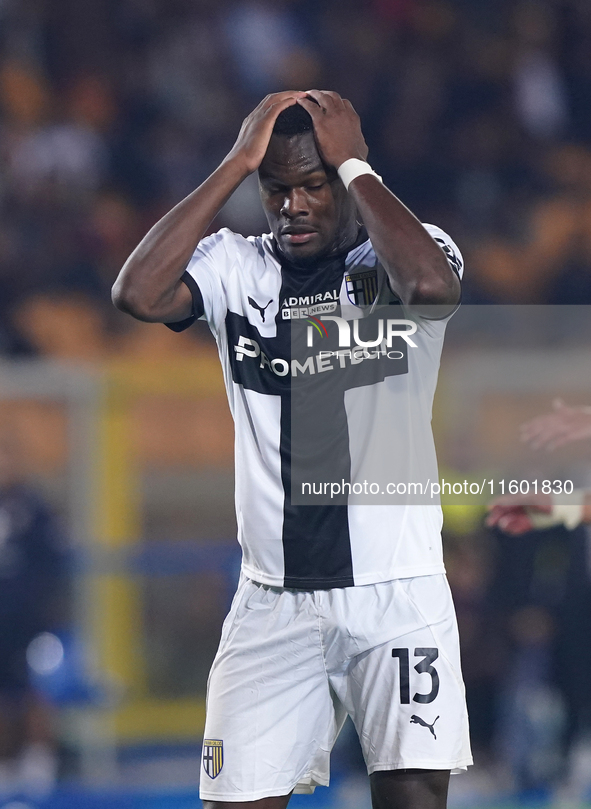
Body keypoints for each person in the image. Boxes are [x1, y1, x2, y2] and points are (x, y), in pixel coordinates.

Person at [112, 90, 471, 809]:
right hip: (272, 600)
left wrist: (356, 166)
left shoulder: (404, 255)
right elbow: (137, 292)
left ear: (343, 179)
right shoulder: (235, 268)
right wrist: (234, 163)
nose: (294, 206)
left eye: (314, 184)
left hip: (396, 593)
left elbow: (432, 288)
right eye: (276, 188)